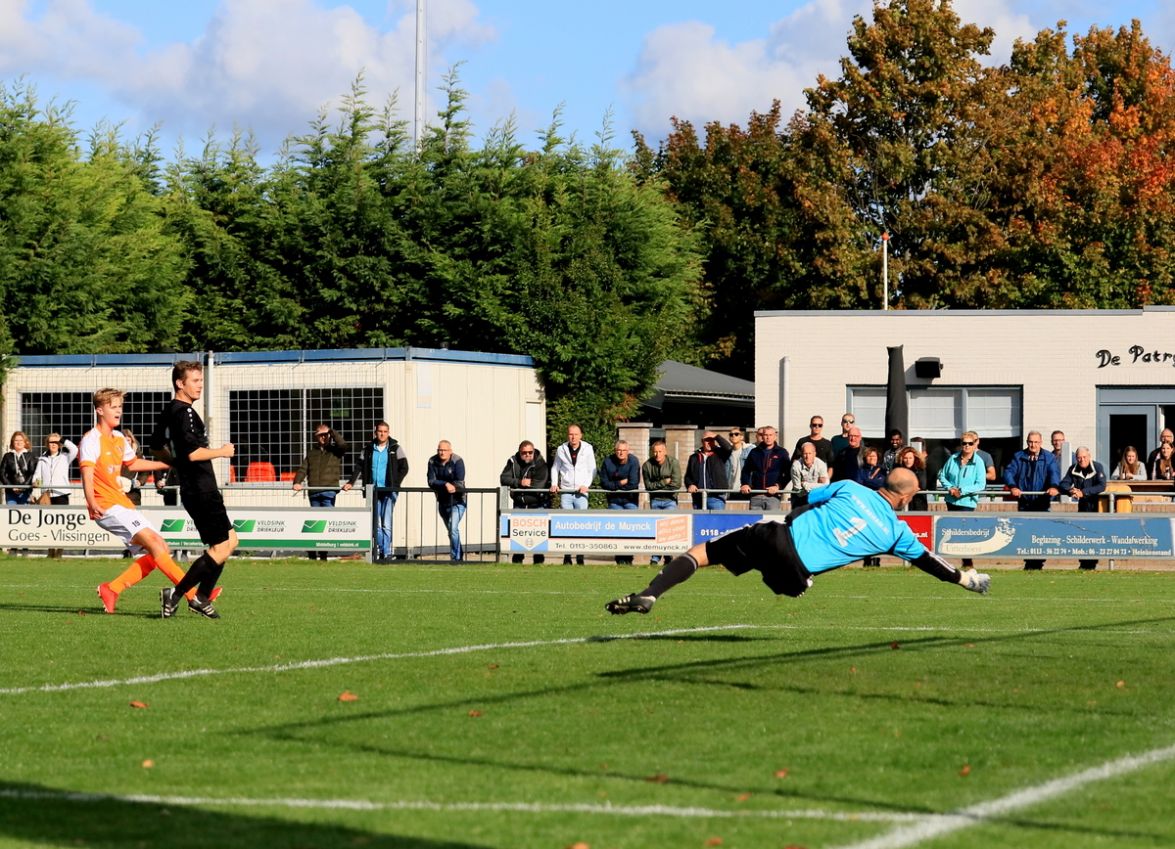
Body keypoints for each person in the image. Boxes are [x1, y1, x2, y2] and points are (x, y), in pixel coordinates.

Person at [605, 468, 990, 616]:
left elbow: (805, 499)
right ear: (906, 497)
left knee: (702, 553)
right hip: (794, 574)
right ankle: (792, 579)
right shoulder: (897, 533)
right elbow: (929, 562)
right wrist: (964, 579)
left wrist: (794, 519)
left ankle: (651, 593)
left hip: (776, 535)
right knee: (792, 584)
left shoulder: (850, 487)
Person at [86, 389, 218, 616]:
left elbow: (134, 464)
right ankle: (193, 595)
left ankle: (112, 589)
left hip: (122, 504)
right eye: (113, 406)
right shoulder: (91, 440)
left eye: (120, 406)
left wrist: (169, 464)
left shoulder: (118, 438)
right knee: (157, 547)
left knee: (161, 549)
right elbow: (87, 474)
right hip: (106, 505)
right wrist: (91, 502)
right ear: (99, 410)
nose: (118, 411)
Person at [152, 360, 238, 618]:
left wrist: (174, 462)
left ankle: (201, 596)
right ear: (180, 383)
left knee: (230, 541)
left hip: (194, 488)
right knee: (221, 547)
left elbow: (155, 446)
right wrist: (222, 451)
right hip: (201, 488)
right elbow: (192, 453)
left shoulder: (169, 410)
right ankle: (178, 594)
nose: (200, 385)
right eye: (195, 381)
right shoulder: (185, 412)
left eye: (201, 380)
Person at [343, 422, 408, 564]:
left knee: (386, 523)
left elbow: (404, 467)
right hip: (374, 491)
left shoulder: (395, 448)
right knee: (376, 524)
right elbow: (359, 466)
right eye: (380, 431)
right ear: (375, 432)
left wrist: (395, 484)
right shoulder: (367, 449)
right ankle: (380, 550)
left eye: (385, 431)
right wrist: (351, 482)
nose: (382, 434)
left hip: (389, 491)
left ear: (388, 433)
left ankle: (387, 553)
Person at [1003, 431, 1061, 570]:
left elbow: (1054, 473)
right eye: (1030, 442)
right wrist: (1013, 486)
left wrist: (1053, 486)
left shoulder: (1049, 457)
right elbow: (1009, 472)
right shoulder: (1019, 456)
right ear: (1027, 442)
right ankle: (1029, 562)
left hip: (1042, 502)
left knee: (1041, 532)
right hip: (1025, 501)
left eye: (1036, 442)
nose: (1033, 445)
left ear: (1041, 443)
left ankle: (1038, 562)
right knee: (1025, 532)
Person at [293, 423, 349, 560]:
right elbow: (303, 469)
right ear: (316, 437)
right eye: (320, 435)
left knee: (326, 523)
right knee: (314, 524)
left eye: (325, 435)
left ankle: (323, 554)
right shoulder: (312, 453)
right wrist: (297, 482)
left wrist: (331, 431)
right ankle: (312, 552)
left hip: (329, 492)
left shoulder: (336, 451)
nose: (323, 437)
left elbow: (343, 445)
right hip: (314, 492)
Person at [937, 432, 989, 569]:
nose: (967, 446)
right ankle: (948, 562)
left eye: (970, 443)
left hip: (967, 502)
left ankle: (967, 562)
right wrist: (950, 488)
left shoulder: (979, 462)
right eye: (964, 443)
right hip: (951, 501)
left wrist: (962, 491)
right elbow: (942, 475)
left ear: (974, 444)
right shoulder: (952, 458)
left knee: (965, 532)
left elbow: (980, 484)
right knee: (952, 531)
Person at [550, 424, 595, 564]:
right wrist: (554, 483)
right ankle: (567, 556)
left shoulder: (588, 448)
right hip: (566, 491)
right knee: (566, 524)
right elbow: (555, 468)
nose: (573, 437)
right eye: (570, 434)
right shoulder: (561, 449)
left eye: (576, 434)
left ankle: (580, 556)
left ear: (581, 435)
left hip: (582, 492)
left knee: (581, 525)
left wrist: (586, 485)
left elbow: (592, 469)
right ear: (567, 435)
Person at [500, 440, 549, 564]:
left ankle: (538, 560)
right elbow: (504, 478)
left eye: (530, 452)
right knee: (517, 533)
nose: (527, 455)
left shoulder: (541, 464)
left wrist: (520, 486)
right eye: (524, 453)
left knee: (538, 533)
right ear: (519, 452)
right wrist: (519, 482)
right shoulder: (512, 461)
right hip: (519, 503)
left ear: (533, 451)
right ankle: (517, 558)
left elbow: (538, 485)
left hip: (536, 503)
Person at [1060, 447, 1107, 570]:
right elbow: (1063, 484)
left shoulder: (1097, 467)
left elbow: (1102, 486)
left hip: (1097, 507)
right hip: (1082, 508)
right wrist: (1071, 490)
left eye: (1084, 457)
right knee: (1082, 536)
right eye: (1079, 458)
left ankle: (1092, 564)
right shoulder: (1073, 468)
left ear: (1089, 456)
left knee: (1094, 536)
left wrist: (1083, 492)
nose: (1082, 460)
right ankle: (1084, 564)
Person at [600, 440, 641, 564]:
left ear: (628, 451)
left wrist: (614, 486)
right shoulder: (607, 462)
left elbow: (633, 483)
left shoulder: (634, 461)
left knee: (631, 530)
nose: (621, 453)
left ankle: (629, 557)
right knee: (617, 530)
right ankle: (619, 559)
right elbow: (604, 483)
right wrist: (621, 482)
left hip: (630, 500)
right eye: (618, 450)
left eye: (623, 450)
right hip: (614, 501)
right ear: (615, 451)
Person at [643, 439, 681, 566]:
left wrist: (657, 486)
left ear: (665, 452)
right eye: (655, 452)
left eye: (660, 451)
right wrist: (664, 482)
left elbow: (676, 484)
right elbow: (648, 486)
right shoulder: (647, 465)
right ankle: (655, 558)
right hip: (655, 500)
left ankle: (668, 556)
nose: (657, 454)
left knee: (668, 529)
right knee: (657, 530)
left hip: (670, 500)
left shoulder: (673, 463)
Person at [427, 440, 466, 562]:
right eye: (439, 450)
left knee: (453, 528)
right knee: (451, 531)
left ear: (450, 451)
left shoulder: (457, 461)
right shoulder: (432, 461)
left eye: (444, 450)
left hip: (458, 501)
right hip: (442, 501)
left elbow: (459, 482)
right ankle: (459, 554)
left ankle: (456, 558)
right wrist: (445, 484)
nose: (442, 452)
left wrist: (449, 485)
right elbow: (431, 481)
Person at [740, 426, 789, 510]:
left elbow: (788, 473)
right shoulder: (754, 452)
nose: (768, 437)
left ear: (775, 436)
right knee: (755, 519)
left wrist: (778, 486)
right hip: (756, 495)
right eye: (766, 435)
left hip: (773, 496)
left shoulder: (782, 452)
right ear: (762, 436)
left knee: (772, 518)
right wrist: (745, 483)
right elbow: (746, 470)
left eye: (770, 435)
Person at [686, 430, 733, 510]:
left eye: (712, 440)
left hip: (716, 497)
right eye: (707, 440)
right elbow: (688, 476)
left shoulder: (720, 454)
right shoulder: (694, 457)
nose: (709, 443)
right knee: (699, 518)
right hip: (698, 498)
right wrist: (690, 484)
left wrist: (716, 436)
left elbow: (729, 448)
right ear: (702, 441)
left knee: (717, 518)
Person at [33, 432, 78, 506]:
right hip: (46, 495)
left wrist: (62, 440)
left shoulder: (65, 457)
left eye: (56, 442)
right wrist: (36, 482)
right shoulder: (42, 459)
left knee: (61, 513)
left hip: (61, 494)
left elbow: (75, 449)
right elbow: (37, 475)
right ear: (47, 444)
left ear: (59, 444)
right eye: (51, 442)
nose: (53, 444)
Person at [789, 442, 829, 507]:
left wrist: (805, 484)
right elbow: (798, 489)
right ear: (801, 454)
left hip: (816, 497)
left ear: (814, 454)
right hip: (799, 498)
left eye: (810, 453)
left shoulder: (821, 464)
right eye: (805, 453)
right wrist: (817, 485)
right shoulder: (796, 466)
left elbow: (825, 486)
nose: (807, 456)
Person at [2, 431, 36, 505]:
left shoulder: (30, 456)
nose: (19, 442)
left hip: (26, 492)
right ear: (12, 442)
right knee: (11, 511)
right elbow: (2, 474)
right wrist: (11, 487)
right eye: (16, 440)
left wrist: (23, 487)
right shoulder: (7, 456)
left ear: (25, 442)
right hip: (10, 492)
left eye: (21, 440)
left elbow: (32, 473)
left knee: (24, 511)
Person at [896, 446, 927, 511]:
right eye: (905, 458)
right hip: (902, 503)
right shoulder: (898, 470)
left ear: (914, 458)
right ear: (902, 459)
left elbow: (922, 486)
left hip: (918, 503)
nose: (908, 461)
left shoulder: (920, 470)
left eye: (910, 458)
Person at [726, 428, 752, 500]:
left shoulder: (750, 450)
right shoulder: (727, 452)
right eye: (731, 434)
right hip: (731, 489)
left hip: (746, 488)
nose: (733, 436)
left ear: (741, 437)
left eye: (736, 434)